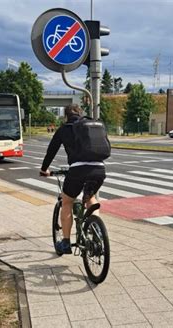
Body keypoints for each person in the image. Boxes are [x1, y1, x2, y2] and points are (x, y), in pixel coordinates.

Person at [40, 104, 106, 255]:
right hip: (99, 169)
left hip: (77, 170)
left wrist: (44, 170)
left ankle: (66, 242)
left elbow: (51, 151)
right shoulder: (91, 127)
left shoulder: (65, 128)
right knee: (90, 199)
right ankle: (97, 233)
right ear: (81, 114)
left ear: (66, 116)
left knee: (67, 201)